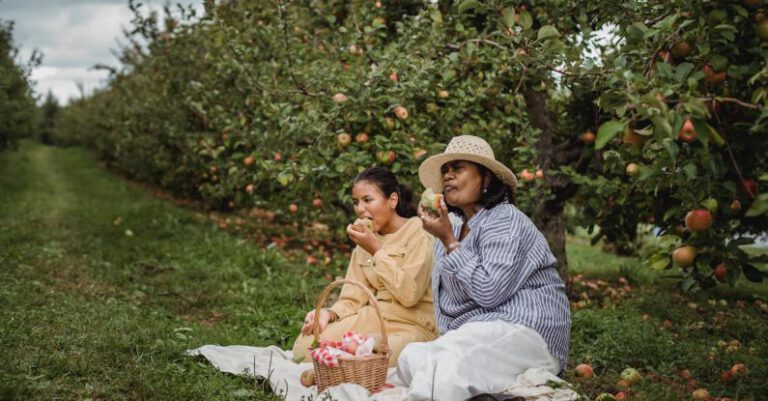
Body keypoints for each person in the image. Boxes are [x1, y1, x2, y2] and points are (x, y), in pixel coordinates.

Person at [397, 135, 571, 401]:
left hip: (526, 329)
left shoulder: (506, 219)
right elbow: (448, 302)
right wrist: (446, 238)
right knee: (411, 357)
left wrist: (450, 243)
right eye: (445, 170)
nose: (448, 176)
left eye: (458, 168)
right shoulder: (452, 226)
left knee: (444, 369)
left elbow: (490, 292)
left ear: (486, 179)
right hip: (479, 330)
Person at [292, 166, 438, 367]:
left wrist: (377, 251)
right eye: (355, 202)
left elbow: (409, 294)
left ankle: (350, 359)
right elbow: (353, 297)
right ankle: (348, 357)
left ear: (392, 201)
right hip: (375, 318)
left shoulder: (418, 233)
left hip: (412, 325)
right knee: (305, 346)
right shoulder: (365, 240)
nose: (360, 209)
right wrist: (329, 314)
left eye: (367, 200)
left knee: (372, 355)